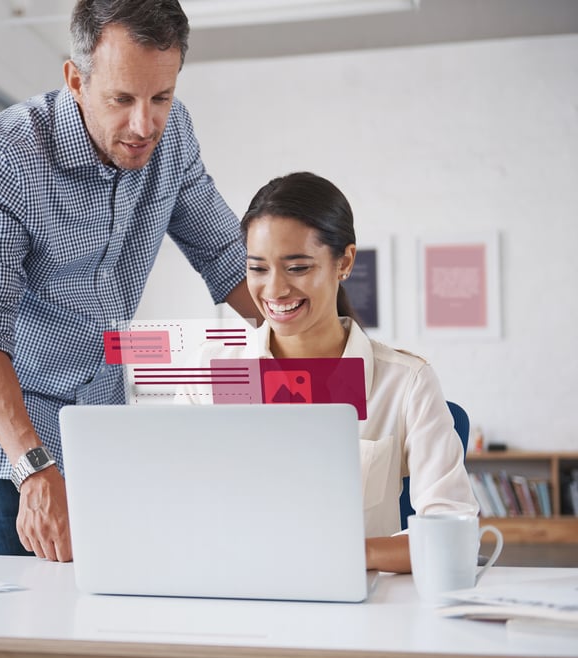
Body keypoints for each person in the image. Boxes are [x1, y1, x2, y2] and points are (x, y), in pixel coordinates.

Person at [0, 0, 259, 562]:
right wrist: (34, 469)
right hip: (0, 415)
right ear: (75, 80)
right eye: (122, 99)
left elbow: (226, 255)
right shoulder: (1, 159)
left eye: (161, 97)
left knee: (97, 601)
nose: (144, 125)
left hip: (95, 408)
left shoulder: (171, 137)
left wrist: (322, 354)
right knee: (10, 615)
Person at [182, 171, 478, 574]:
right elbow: (181, 509)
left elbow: (453, 535)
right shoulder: (211, 371)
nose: (274, 290)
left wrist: (352, 553)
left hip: (352, 600)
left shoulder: (405, 383)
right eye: (258, 268)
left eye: (298, 267)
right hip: (235, 590)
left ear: (345, 262)